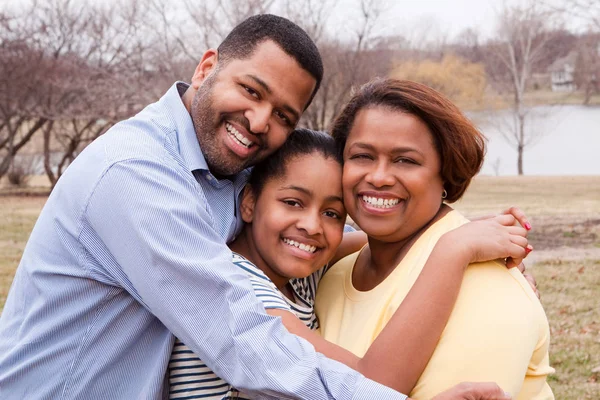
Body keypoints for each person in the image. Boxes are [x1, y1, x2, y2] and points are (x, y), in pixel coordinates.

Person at [0, 15, 510, 400]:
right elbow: (246, 339)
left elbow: (304, 232)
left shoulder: (233, 164)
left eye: (284, 114)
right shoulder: (134, 175)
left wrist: (448, 243)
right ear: (206, 68)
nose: (260, 120)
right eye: (250, 89)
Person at [168, 128, 533, 400]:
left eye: (331, 212)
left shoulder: (299, 268)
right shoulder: (235, 286)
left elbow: (393, 239)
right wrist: (454, 249)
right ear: (249, 203)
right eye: (293, 202)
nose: (312, 226)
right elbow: (369, 384)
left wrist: (481, 231)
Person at [315, 79, 555, 399]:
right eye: (362, 156)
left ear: (445, 174)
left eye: (406, 160)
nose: (379, 177)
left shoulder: (484, 286)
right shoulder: (333, 272)